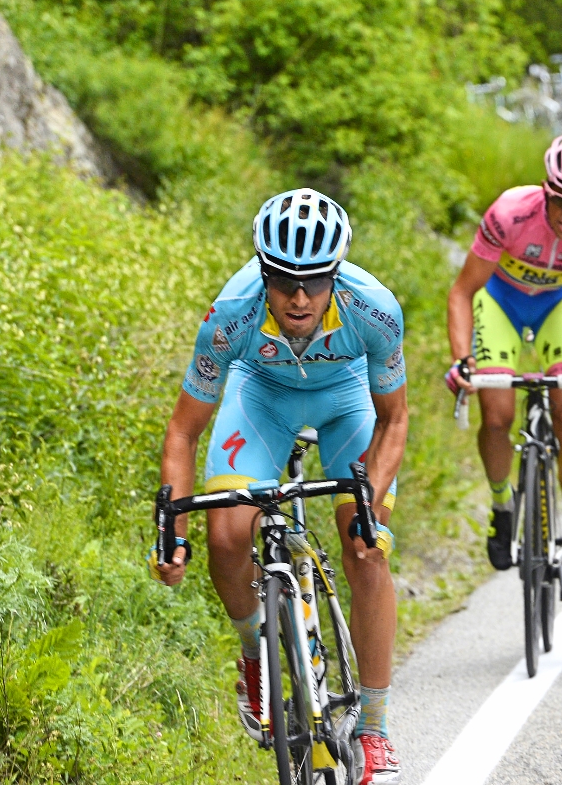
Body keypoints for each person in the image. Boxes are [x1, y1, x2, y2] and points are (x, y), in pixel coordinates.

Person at [154, 190, 407, 785]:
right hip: (261, 399)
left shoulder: (374, 309)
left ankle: (373, 728)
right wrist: (173, 535)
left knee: (366, 551)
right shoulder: (230, 315)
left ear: (336, 273)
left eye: (315, 282)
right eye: (284, 281)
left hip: (346, 400)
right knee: (225, 538)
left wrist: (370, 506)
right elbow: (183, 431)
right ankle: (255, 653)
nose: (299, 298)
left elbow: (394, 419)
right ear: (262, 272)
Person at [445, 132, 562, 594]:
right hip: (500, 301)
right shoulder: (509, 213)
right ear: (546, 189)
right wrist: (462, 360)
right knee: (497, 414)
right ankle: (502, 505)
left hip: (557, 305)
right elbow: (463, 292)